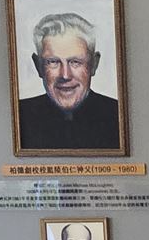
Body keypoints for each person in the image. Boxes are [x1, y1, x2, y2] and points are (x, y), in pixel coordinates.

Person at [17, 12, 122, 152]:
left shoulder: (118, 115)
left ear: (94, 64)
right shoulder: (19, 115)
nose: (65, 75)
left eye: (75, 62)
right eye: (53, 62)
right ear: (38, 66)